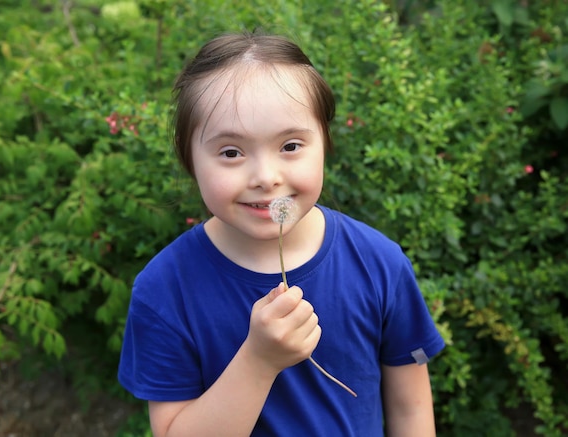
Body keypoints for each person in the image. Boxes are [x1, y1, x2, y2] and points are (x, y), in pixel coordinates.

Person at [118, 31, 445, 437]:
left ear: (325, 144)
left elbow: (411, 411)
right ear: (190, 159)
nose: (266, 178)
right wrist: (259, 360)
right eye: (231, 152)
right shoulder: (165, 289)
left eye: (290, 145)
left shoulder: (380, 263)